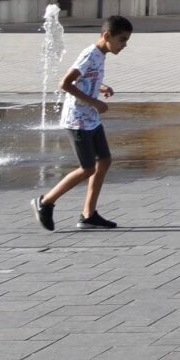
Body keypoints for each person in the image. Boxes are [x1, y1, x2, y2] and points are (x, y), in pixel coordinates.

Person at [34, 15, 131, 231]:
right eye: (121, 40)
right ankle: (45, 202)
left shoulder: (100, 54)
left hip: (90, 119)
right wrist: (94, 102)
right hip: (77, 120)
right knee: (88, 168)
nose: (124, 45)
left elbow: (86, 79)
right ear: (107, 36)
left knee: (104, 160)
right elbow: (65, 83)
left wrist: (100, 87)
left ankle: (88, 215)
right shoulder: (90, 54)